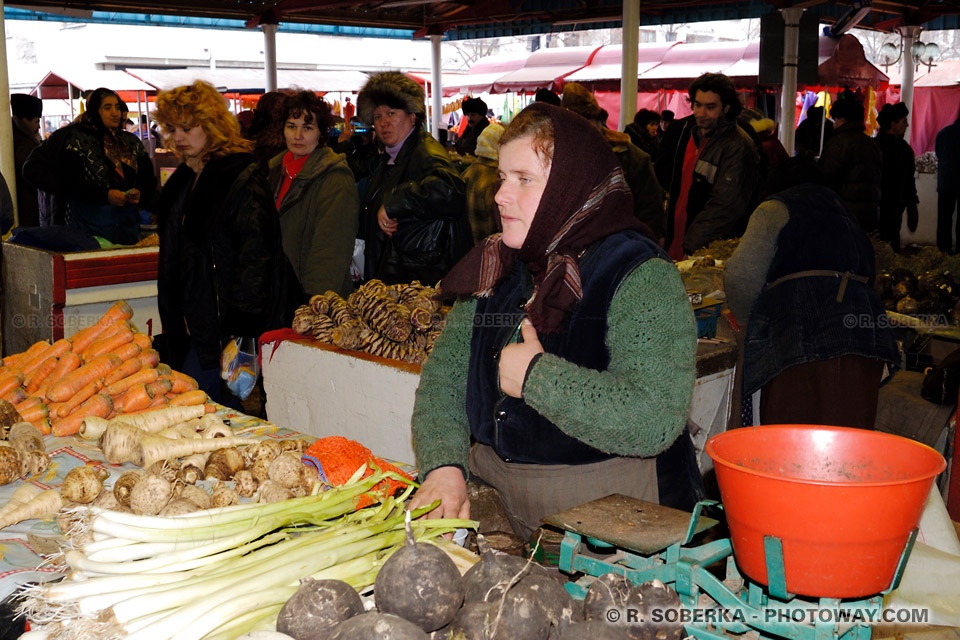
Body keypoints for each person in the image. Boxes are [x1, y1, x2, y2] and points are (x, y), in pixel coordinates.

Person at [407, 103, 700, 538]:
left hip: (609, 511)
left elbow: (653, 417)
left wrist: (536, 378)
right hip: (499, 500)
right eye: (503, 177)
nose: (501, 195)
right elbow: (443, 382)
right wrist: (445, 465)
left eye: (524, 180)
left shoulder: (639, 275)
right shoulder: (498, 264)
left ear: (571, 187)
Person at [724, 157, 899, 429]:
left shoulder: (775, 208)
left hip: (800, 341)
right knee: (849, 448)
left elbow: (741, 277)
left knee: (792, 451)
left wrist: (749, 327)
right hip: (867, 340)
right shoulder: (845, 213)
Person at [152, 80, 288, 405]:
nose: (179, 137)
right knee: (215, 411)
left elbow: (257, 255)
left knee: (202, 403)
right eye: (173, 128)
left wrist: (240, 330)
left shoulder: (240, 175)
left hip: (226, 326)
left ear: (212, 126)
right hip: (192, 324)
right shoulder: (184, 179)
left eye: (187, 127)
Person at [356, 71, 469, 286]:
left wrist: (395, 201)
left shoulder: (424, 151)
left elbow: (450, 190)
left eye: (391, 114)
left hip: (419, 287)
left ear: (412, 115)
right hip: (397, 279)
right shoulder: (392, 156)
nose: (383, 123)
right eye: (377, 117)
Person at [267, 91, 359, 299]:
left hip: (312, 301)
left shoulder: (335, 179)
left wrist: (312, 307)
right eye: (291, 126)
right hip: (275, 294)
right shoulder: (272, 170)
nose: (297, 136)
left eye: (307, 128)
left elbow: (331, 255)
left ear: (321, 133)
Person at [38, 88, 155, 245]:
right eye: (107, 108)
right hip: (88, 229)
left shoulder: (131, 142)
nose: (115, 113)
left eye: (117, 107)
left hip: (126, 226)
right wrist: (105, 195)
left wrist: (140, 192)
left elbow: (148, 179)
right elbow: (72, 184)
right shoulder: (78, 140)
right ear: (95, 110)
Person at [660, 73, 759, 260]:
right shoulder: (687, 135)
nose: (701, 113)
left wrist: (691, 248)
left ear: (726, 108)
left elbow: (724, 207)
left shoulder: (738, 146)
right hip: (680, 244)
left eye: (710, 107)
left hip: (707, 252)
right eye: (697, 105)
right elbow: (676, 192)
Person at [561, 84, 666, 238]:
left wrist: (633, 249)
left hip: (622, 249)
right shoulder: (557, 158)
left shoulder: (632, 159)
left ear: (597, 122)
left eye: (586, 121)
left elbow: (651, 213)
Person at [818, 96, 882, 233]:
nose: (833, 124)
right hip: (869, 213)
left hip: (843, 212)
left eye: (835, 119)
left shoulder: (839, 142)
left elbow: (826, 178)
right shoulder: (871, 143)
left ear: (843, 120)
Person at [876, 102, 919, 252]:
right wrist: (912, 204)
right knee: (890, 246)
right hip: (892, 207)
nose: (907, 125)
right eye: (904, 121)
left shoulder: (872, 145)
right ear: (893, 124)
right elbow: (908, 181)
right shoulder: (903, 150)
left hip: (873, 205)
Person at [462, 122, 504, 244]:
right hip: (486, 249)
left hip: (468, 248)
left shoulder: (469, 171)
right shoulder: (493, 179)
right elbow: (494, 227)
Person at [11, 93, 43, 227]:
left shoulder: (17, 138)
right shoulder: (23, 144)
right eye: (36, 121)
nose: (39, 126)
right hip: (27, 209)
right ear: (24, 120)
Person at [935, 107, 960, 254]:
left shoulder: (943, 133)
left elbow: (938, 154)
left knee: (944, 219)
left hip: (946, 182)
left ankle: (943, 251)